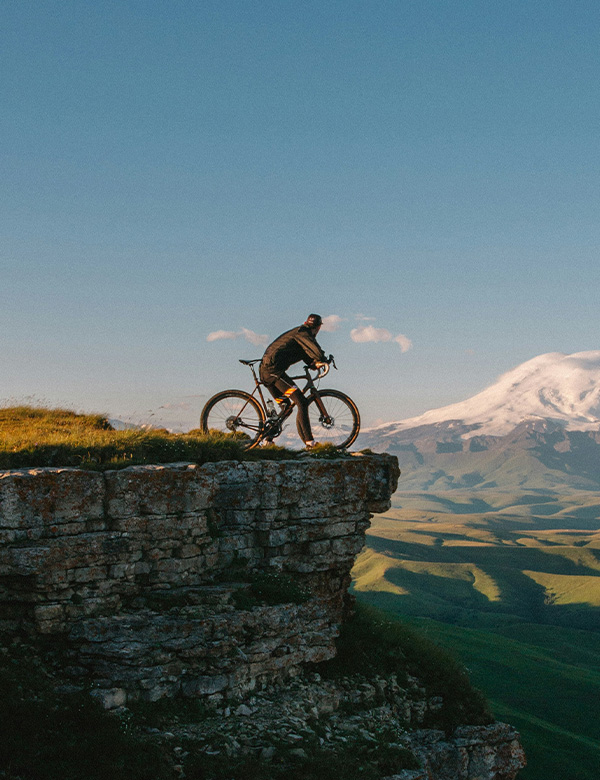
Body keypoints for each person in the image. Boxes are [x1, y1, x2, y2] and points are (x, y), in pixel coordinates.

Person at [259, 314, 328, 448]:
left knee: (286, 407)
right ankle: (310, 442)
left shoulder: (299, 335)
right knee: (301, 401)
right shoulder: (303, 333)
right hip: (273, 372)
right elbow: (314, 349)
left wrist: (313, 364)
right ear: (318, 327)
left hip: (267, 371)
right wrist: (323, 359)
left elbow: (305, 353)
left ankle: (268, 439)